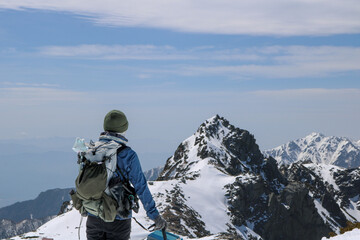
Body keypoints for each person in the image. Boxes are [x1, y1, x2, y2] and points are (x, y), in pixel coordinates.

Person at [86, 110, 167, 240]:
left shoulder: (92, 150)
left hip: (93, 218)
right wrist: (155, 216)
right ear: (124, 128)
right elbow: (141, 186)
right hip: (118, 220)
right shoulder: (128, 155)